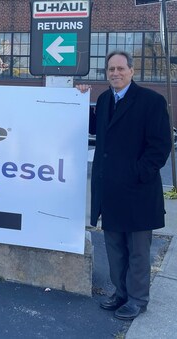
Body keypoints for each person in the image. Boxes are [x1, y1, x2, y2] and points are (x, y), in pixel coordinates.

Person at [77, 50, 172, 320]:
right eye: (111, 69)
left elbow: (160, 146)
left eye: (120, 68)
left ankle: (137, 299)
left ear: (131, 71)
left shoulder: (151, 101)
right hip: (110, 191)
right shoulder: (105, 99)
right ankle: (120, 293)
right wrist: (81, 98)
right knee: (115, 248)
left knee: (138, 251)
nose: (115, 73)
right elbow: (94, 126)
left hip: (138, 191)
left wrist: (137, 174)